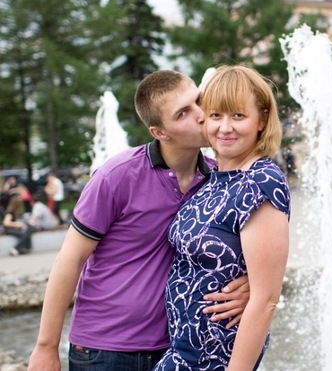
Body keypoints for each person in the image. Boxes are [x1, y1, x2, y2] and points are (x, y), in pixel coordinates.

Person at [28, 70, 250, 371]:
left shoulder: (218, 179)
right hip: (104, 351)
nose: (201, 115)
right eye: (183, 113)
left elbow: (244, 252)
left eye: (198, 101)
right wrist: (46, 347)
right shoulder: (117, 176)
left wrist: (250, 285)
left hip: (179, 347)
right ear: (160, 132)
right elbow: (70, 259)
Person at [153, 65, 290, 370]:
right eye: (216, 115)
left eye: (238, 116)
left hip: (214, 360)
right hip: (181, 353)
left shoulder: (260, 182)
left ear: (262, 119)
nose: (225, 128)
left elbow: (266, 300)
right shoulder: (215, 176)